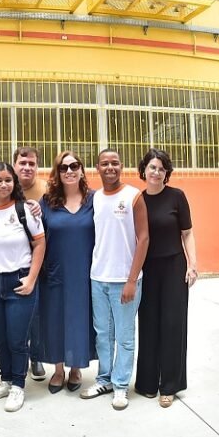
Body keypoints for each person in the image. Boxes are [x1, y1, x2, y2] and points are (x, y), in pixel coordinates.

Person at [80, 148, 149, 411]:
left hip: (125, 279)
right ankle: (105, 379)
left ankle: (121, 386)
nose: (110, 167)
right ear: (97, 168)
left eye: (115, 163)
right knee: (103, 335)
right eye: (105, 163)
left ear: (121, 166)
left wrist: (132, 280)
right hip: (98, 277)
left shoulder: (133, 196)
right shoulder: (95, 198)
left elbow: (143, 238)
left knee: (125, 336)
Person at [0, 162, 45, 412]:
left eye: (8, 180)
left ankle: (18, 385)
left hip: (19, 280)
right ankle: (5, 380)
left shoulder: (25, 209)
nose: (3, 184)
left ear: (14, 183)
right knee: (0, 338)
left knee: (17, 339)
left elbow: (39, 244)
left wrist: (31, 279)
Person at [134, 148, 198, 408]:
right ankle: (147, 383)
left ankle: (169, 386)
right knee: (148, 324)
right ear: (144, 171)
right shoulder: (138, 200)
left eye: (161, 168)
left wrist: (192, 264)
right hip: (147, 270)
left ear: (166, 173)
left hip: (173, 267)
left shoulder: (177, 197)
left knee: (172, 325)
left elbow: (188, 233)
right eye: (152, 167)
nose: (156, 172)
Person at [38, 151, 96, 394]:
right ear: (57, 173)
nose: (70, 171)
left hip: (85, 272)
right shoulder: (46, 202)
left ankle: (75, 368)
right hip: (55, 272)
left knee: (80, 320)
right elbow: (35, 235)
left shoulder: (95, 200)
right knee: (55, 320)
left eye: (75, 166)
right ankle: (59, 369)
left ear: (82, 169)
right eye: (64, 168)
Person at [12, 146, 48, 382]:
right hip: (11, 260)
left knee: (37, 312)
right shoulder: (5, 185)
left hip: (40, 257)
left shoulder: (46, 189)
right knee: (16, 314)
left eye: (32, 163)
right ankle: (19, 356)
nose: (27, 167)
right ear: (14, 165)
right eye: (22, 163)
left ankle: (36, 356)